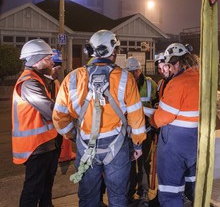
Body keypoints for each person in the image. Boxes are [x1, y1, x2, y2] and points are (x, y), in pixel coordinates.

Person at [52, 29, 146, 207]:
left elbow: (59, 116)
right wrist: (138, 144)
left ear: (91, 50)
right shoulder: (125, 78)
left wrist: (71, 134)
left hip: (86, 144)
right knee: (118, 198)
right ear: (114, 51)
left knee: (88, 198)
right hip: (117, 146)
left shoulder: (72, 78)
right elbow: (136, 116)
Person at [12, 39, 61, 206]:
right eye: (48, 59)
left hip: (46, 144)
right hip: (35, 147)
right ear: (36, 61)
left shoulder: (38, 79)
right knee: (33, 191)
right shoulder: (29, 83)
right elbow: (51, 110)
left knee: (45, 188)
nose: (51, 62)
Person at [149, 43, 199, 207]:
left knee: (171, 192)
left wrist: (152, 119)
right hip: (195, 140)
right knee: (194, 186)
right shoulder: (201, 78)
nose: (168, 70)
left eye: (169, 66)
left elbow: (161, 118)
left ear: (176, 63)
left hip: (174, 144)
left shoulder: (177, 83)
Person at [125, 57, 159, 207]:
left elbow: (157, 104)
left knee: (144, 163)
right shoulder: (123, 84)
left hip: (146, 131)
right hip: (129, 132)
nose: (133, 74)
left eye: (135, 71)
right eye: (130, 71)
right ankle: (131, 192)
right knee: (130, 164)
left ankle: (143, 192)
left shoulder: (151, 84)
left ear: (140, 70)